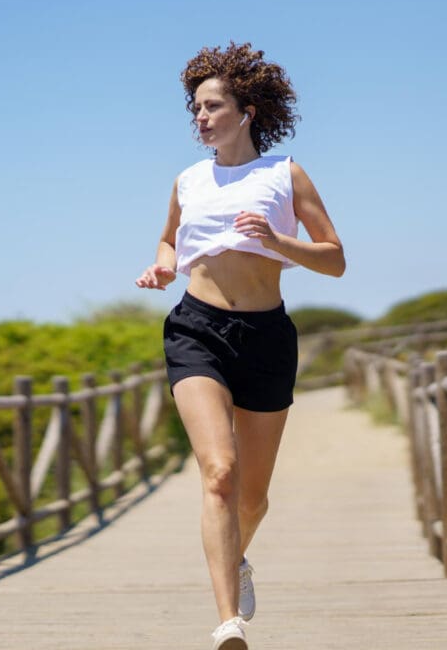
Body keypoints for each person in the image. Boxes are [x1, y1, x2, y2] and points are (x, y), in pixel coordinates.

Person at [135, 42, 345, 650]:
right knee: (220, 474)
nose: (200, 118)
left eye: (212, 106)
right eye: (195, 109)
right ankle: (228, 621)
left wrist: (278, 242)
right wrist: (161, 269)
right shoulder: (188, 180)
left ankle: (237, 558)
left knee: (253, 497)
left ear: (247, 110)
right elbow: (169, 242)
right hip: (197, 329)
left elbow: (334, 260)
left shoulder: (285, 174)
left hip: (267, 336)